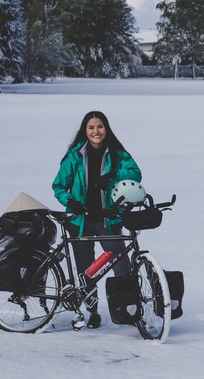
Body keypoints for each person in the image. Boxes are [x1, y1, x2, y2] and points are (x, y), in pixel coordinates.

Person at [52, 110, 142, 329]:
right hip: (80, 222)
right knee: (87, 270)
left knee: (121, 264)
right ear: (85, 130)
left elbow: (135, 173)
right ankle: (92, 312)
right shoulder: (75, 155)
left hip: (108, 220)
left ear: (106, 128)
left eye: (100, 126)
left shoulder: (117, 153)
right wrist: (70, 201)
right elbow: (58, 186)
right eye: (91, 127)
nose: (96, 131)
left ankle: (127, 308)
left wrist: (113, 175)